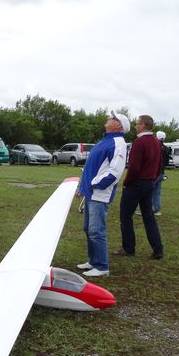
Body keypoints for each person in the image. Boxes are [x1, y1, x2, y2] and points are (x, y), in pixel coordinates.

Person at [75, 114, 129, 277]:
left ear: (118, 126)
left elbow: (115, 172)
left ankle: (102, 266)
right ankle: (93, 261)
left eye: (112, 117)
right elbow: (92, 166)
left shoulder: (118, 144)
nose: (108, 118)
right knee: (88, 229)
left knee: (96, 230)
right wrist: (83, 187)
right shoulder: (104, 141)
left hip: (100, 194)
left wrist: (95, 184)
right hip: (91, 192)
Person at [117, 115, 164, 260]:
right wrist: (153, 178)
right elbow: (159, 164)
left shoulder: (139, 142)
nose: (136, 126)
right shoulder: (156, 141)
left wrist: (126, 182)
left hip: (136, 183)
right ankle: (158, 249)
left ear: (143, 125)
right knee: (148, 216)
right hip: (149, 182)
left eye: (137, 123)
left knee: (125, 215)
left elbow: (134, 167)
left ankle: (128, 248)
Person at [148, 130, 170, 216]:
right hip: (162, 172)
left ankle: (146, 209)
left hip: (154, 172)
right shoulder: (166, 148)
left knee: (148, 191)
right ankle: (157, 210)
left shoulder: (155, 146)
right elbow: (167, 162)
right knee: (157, 192)